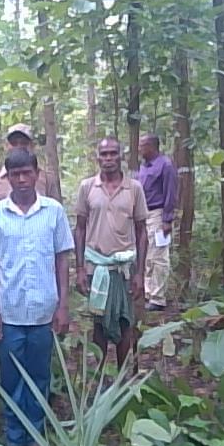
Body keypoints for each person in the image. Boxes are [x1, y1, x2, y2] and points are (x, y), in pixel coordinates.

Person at [0, 148, 74, 446]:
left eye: (26, 173)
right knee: (11, 378)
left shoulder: (53, 211)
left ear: (36, 174)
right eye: (15, 174)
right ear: (7, 177)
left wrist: (63, 304)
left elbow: (62, 259)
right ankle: (13, 440)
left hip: (44, 310)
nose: (21, 179)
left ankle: (36, 436)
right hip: (10, 312)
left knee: (39, 375)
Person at [74, 137, 148, 371]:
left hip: (124, 268)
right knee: (99, 324)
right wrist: (80, 269)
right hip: (96, 267)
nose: (108, 158)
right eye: (104, 154)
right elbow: (80, 228)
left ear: (121, 156)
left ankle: (125, 377)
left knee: (126, 321)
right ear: (97, 158)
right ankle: (99, 378)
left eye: (113, 153)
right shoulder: (87, 187)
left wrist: (140, 273)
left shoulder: (134, 188)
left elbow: (142, 231)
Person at [137, 133, 178, 311]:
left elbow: (171, 192)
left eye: (142, 145)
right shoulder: (143, 167)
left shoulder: (165, 165)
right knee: (146, 255)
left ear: (152, 146)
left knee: (159, 256)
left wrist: (167, 219)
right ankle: (147, 293)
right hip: (144, 215)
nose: (139, 148)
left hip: (158, 214)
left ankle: (158, 297)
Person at [0, 123, 62, 206]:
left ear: (32, 146)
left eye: (24, 143)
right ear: (6, 146)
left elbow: (54, 209)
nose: (19, 146)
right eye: (14, 143)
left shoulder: (46, 179)